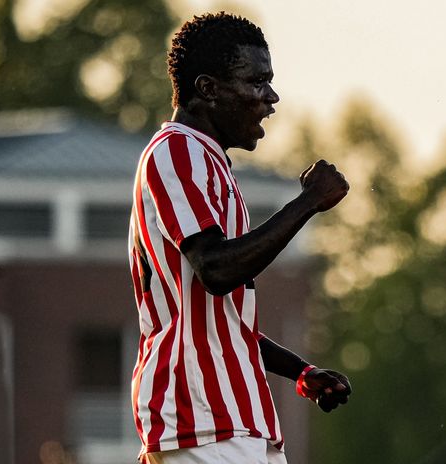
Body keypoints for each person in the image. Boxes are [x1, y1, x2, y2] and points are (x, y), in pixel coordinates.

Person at [128, 12, 352, 464]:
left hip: (235, 418)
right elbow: (215, 269)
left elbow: (224, 321)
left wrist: (301, 371)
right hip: (199, 417)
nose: (271, 97)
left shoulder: (209, 163)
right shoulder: (177, 149)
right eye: (256, 82)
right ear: (208, 89)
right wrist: (309, 202)